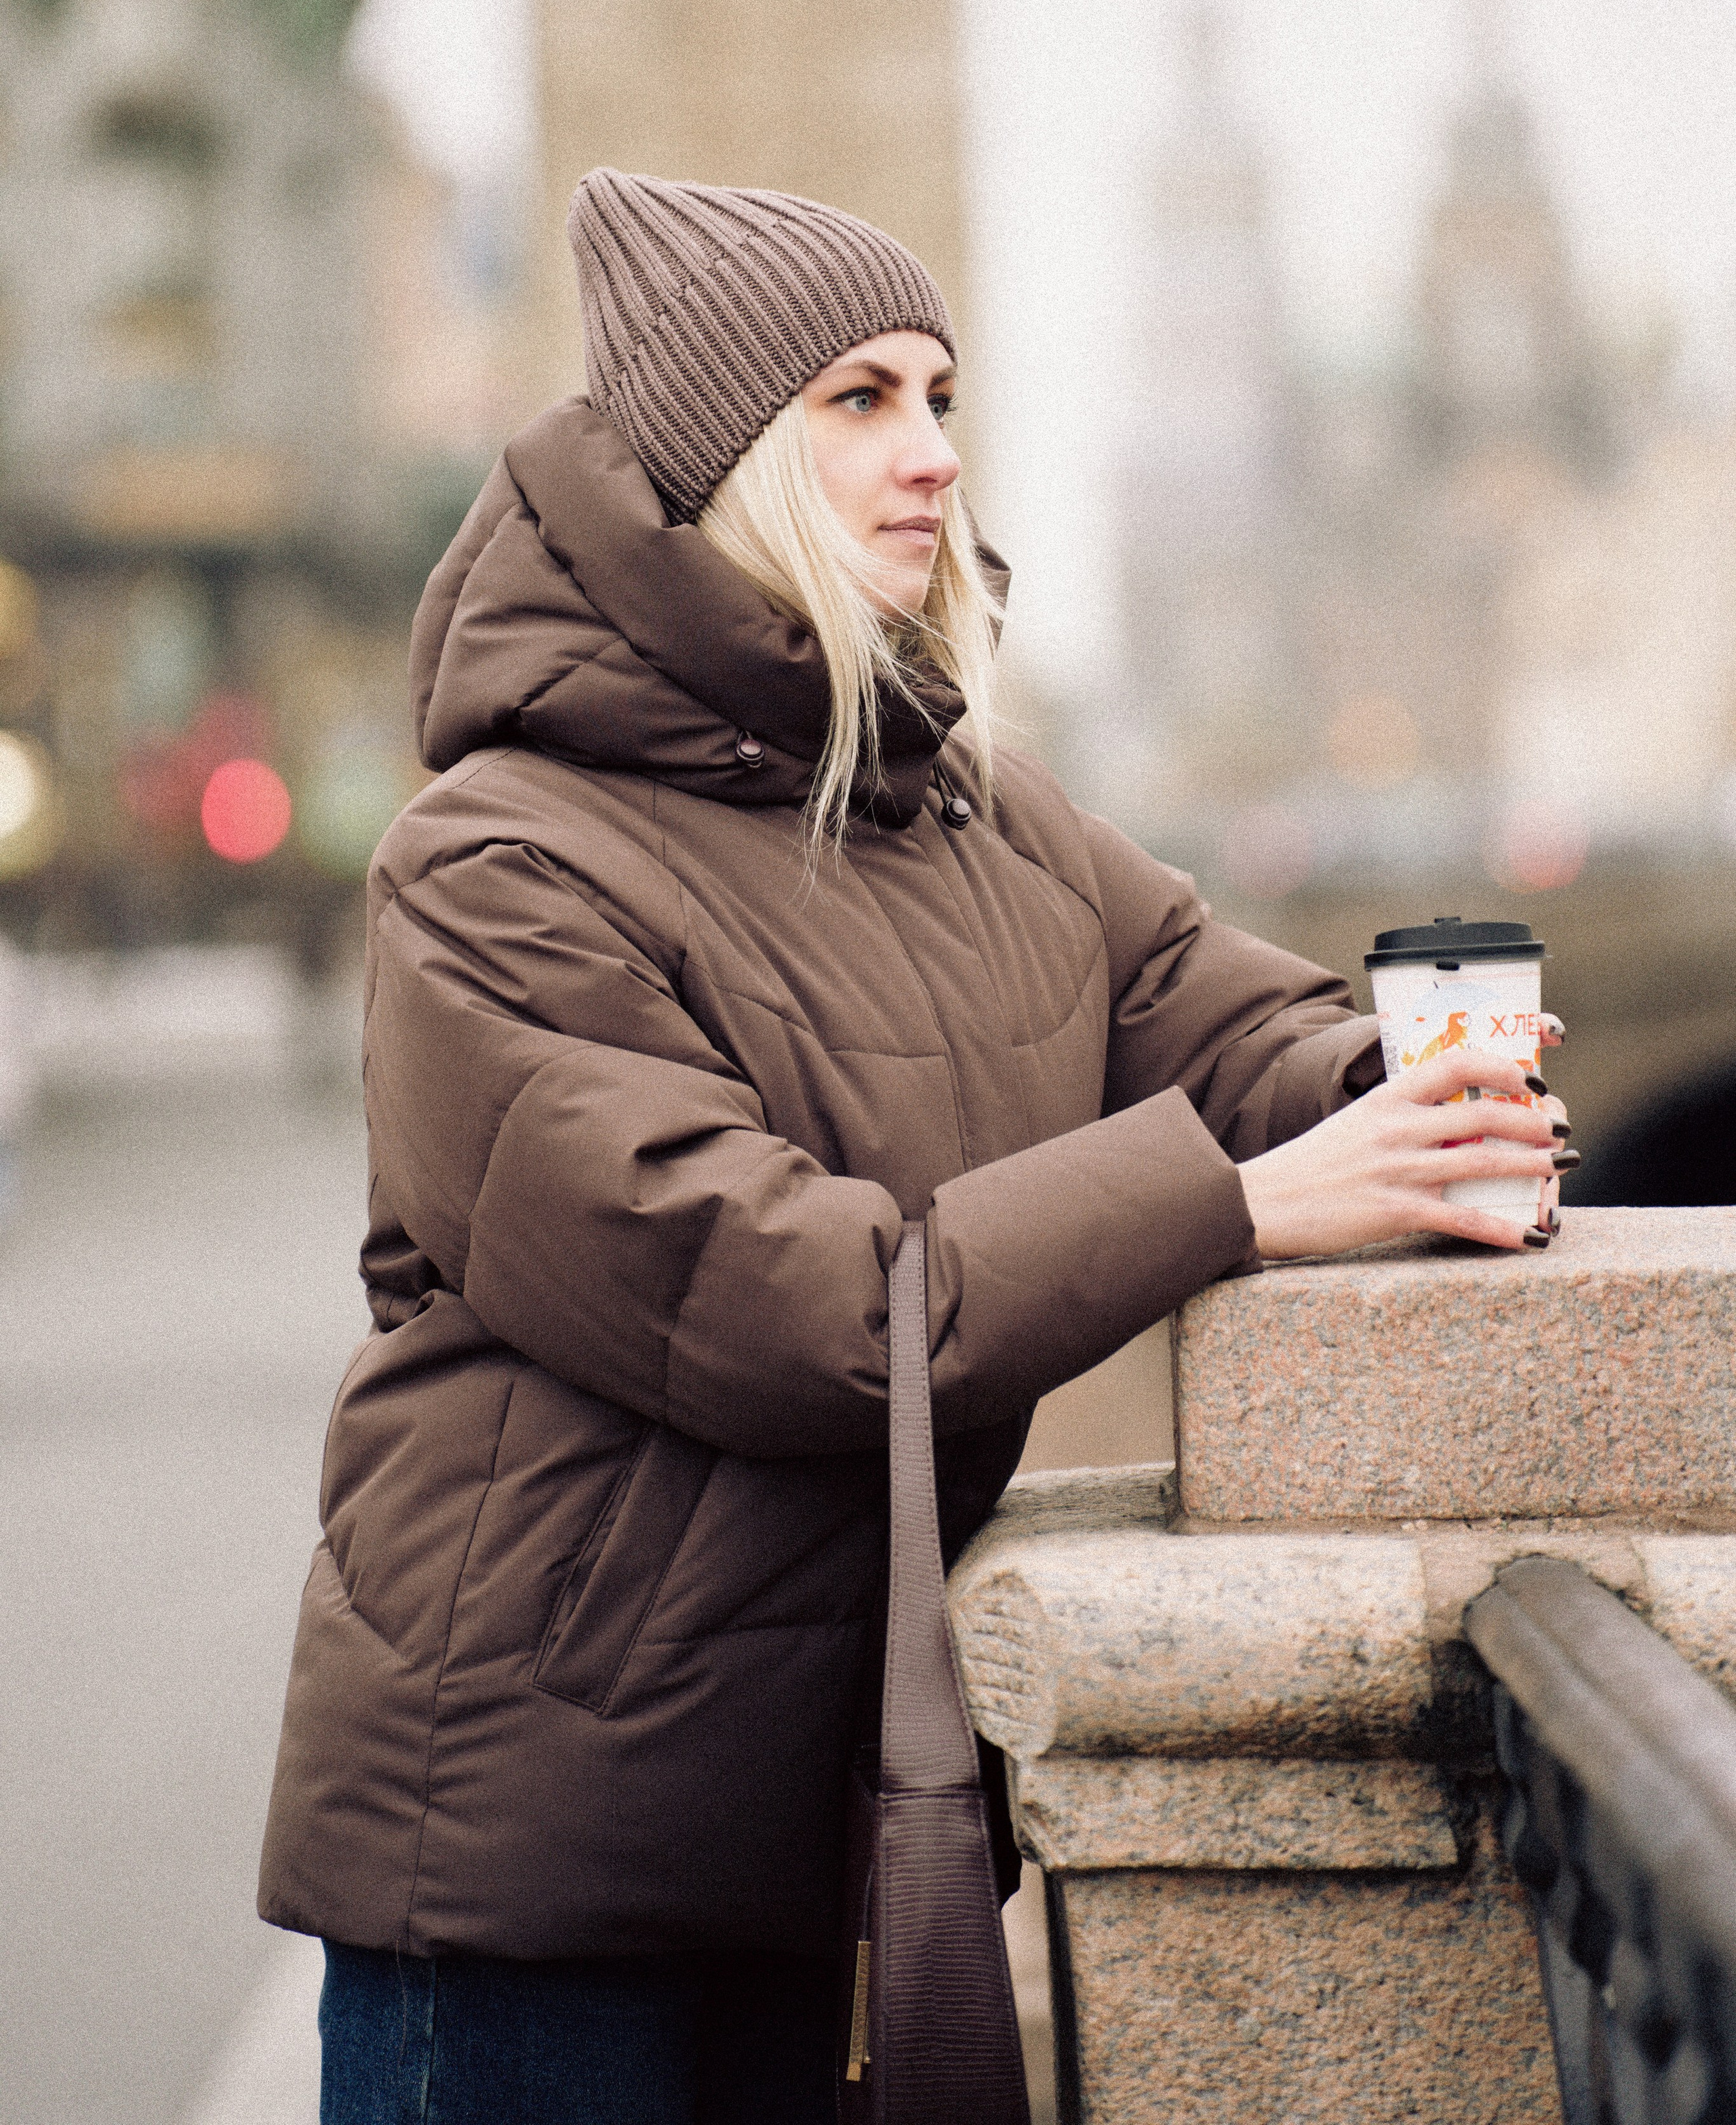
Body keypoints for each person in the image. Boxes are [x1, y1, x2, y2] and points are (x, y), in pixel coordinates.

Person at [258, 170, 1570, 2125]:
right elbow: (792, 1299)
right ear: (721, 461)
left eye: (943, 398)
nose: (934, 456)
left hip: (820, 1817)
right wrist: (1236, 1207)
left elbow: (1233, 1024)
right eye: (859, 402)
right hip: (535, 1856)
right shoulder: (493, 865)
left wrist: (1405, 1085)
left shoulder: (983, 818)